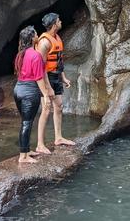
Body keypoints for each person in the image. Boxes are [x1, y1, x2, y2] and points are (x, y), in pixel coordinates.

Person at [36, 12, 75, 154]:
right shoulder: (44, 42)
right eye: (59, 20)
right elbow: (41, 67)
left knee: (59, 106)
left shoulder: (57, 38)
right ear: (53, 24)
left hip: (56, 76)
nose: (61, 22)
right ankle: (40, 144)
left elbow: (59, 61)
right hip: (46, 78)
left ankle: (58, 138)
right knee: (46, 109)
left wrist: (63, 77)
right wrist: (47, 88)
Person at [14, 25, 51, 163]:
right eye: (35, 34)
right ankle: (23, 156)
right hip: (29, 92)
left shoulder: (20, 54)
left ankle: (27, 149)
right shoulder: (36, 55)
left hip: (18, 89)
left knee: (25, 122)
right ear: (32, 38)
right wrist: (46, 94)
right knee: (27, 123)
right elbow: (39, 78)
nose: (37, 35)